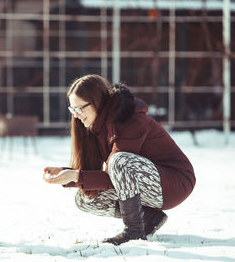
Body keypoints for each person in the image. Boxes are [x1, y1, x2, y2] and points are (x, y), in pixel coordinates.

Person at [43, 74, 195, 245]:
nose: (76, 115)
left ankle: (133, 231)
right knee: (86, 199)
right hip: (145, 180)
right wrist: (67, 173)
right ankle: (149, 218)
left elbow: (115, 171)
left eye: (80, 108)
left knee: (119, 160)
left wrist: (76, 176)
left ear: (97, 102)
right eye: (73, 110)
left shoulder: (129, 119)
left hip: (175, 181)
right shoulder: (94, 126)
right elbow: (110, 176)